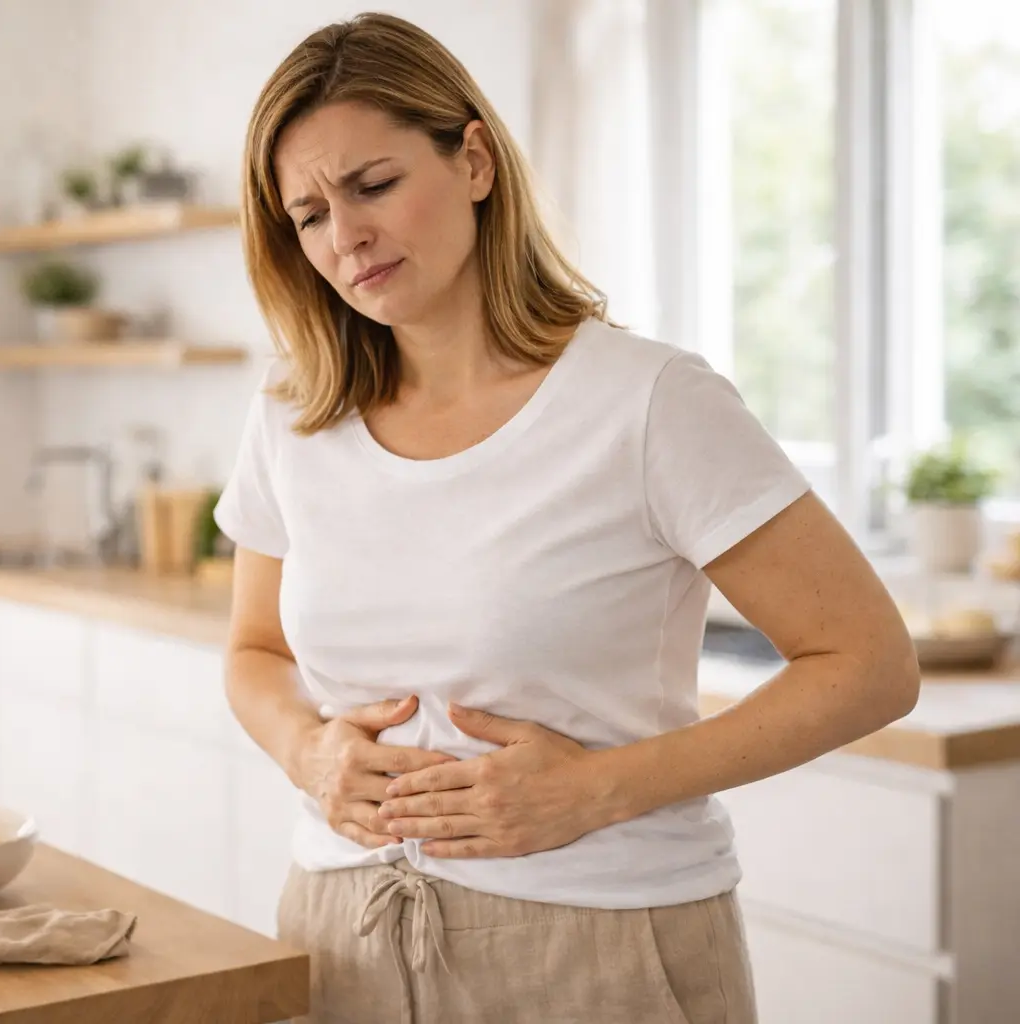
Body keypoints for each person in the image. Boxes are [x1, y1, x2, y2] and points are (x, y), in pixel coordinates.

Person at [213, 12, 920, 1024]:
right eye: (309, 214)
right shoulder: (292, 417)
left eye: (372, 185)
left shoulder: (648, 402)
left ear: (474, 160)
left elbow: (869, 662)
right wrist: (306, 752)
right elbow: (251, 649)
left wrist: (600, 789)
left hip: (604, 947)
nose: (346, 236)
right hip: (340, 934)